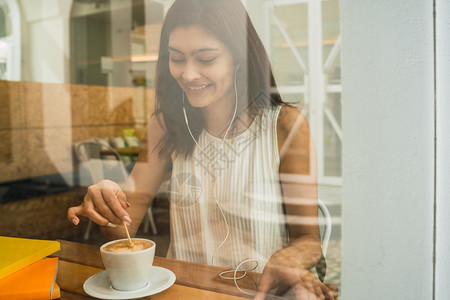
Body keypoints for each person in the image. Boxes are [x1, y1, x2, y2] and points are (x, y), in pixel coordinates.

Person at [68, 0, 333, 299]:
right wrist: (107, 204)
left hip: (259, 292)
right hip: (184, 290)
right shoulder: (166, 125)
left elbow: (309, 240)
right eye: (176, 58)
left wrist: (288, 259)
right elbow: (123, 229)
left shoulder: (285, 126)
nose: (188, 74)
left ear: (239, 58)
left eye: (206, 59)